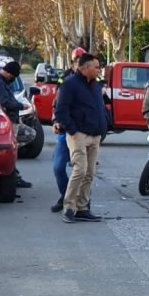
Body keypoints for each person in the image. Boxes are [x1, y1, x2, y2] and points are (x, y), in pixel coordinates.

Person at [53, 53, 107, 223]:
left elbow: (100, 106)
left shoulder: (96, 85)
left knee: (90, 173)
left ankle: (82, 208)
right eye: (96, 67)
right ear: (85, 68)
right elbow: (61, 110)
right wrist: (73, 131)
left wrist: (104, 126)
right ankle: (69, 207)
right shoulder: (69, 84)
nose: (99, 70)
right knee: (80, 170)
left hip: (95, 135)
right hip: (78, 135)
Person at [49, 51, 84, 212]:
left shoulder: (93, 82)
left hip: (84, 133)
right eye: (76, 61)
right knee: (58, 167)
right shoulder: (66, 81)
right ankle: (65, 196)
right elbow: (57, 104)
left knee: (84, 171)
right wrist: (56, 121)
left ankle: (81, 203)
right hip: (66, 132)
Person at [0, 60, 32, 189]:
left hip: (11, 119)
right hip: (6, 122)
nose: (13, 79)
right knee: (15, 147)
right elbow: (6, 102)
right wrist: (21, 106)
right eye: (12, 77)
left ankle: (13, 173)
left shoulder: (2, 81)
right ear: (8, 73)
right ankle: (12, 175)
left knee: (18, 145)